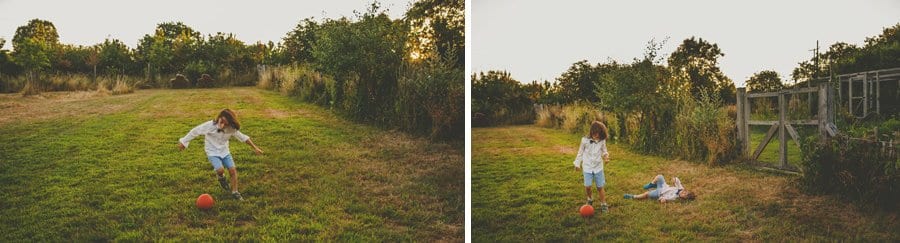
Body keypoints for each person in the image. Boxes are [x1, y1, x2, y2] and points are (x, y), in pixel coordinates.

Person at [178, 108, 263, 201]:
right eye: (221, 121)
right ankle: (221, 177)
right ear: (219, 117)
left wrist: (255, 147)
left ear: (229, 123)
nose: (222, 125)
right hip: (212, 151)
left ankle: (235, 192)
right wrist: (184, 142)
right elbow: (195, 131)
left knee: (232, 170)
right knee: (220, 170)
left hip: (224, 151)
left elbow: (243, 138)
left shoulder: (231, 129)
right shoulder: (210, 125)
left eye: (225, 123)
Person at [573, 121, 611, 212]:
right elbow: (580, 153)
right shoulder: (584, 140)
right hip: (587, 167)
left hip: (598, 167)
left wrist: (606, 157)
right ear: (591, 131)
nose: (596, 136)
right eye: (594, 133)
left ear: (601, 133)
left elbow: (604, 151)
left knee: (600, 187)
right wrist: (577, 164)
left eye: (598, 134)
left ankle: (603, 203)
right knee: (588, 186)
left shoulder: (602, 141)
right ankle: (590, 199)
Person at [623, 174, 696, 203]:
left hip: (659, 193)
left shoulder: (675, 198)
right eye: (684, 192)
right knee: (659, 176)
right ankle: (651, 184)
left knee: (646, 194)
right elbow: (677, 181)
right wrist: (674, 179)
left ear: (683, 198)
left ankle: (633, 197)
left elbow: (666, 198)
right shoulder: (681, 188)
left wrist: (662, 200)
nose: (682, 192)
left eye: (684, 195)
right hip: (664, 186)